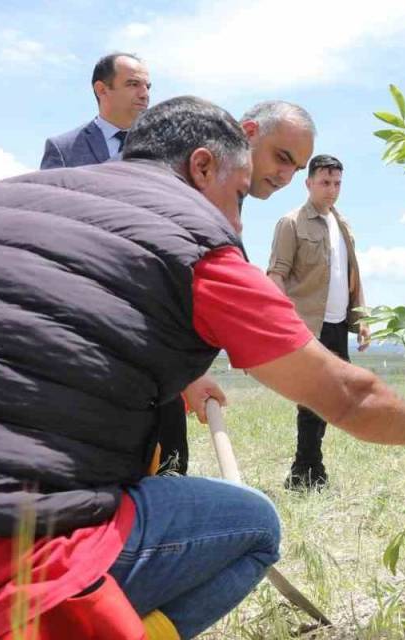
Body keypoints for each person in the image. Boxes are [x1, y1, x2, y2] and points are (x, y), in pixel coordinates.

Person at [0, 96, 405, 640]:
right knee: (254, 525)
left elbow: (27, 321)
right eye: (241, 196)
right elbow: (349, 397)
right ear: (201, 166)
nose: (239, 222)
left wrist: (184, 370)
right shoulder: (198, 245)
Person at [154, 100, 319, 477]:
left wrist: (189, 377)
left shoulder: (227, 198)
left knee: (169, 469)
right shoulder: (192, 191)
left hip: (162, 373)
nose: (285, 176)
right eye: (281, 157)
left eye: (295, 168)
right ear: (247, 133)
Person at [267, 154, 371, 491]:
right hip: (308, 325)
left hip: (339, 323)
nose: (332, 190)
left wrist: (363, 318)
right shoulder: (291, 222)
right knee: (313, 397)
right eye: (325, 183)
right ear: (308, 183)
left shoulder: (343, 225)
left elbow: (353, 276)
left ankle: (308, 465)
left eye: (337, 183)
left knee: (333, 398)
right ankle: (307, 469)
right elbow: (276, 275)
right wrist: (283, 322)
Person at [41, 52, 151, 169]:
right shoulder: (62, 150)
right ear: (101, 90)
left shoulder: (163, 147)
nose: (145, 95)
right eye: (133, 84)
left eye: (147, 87)